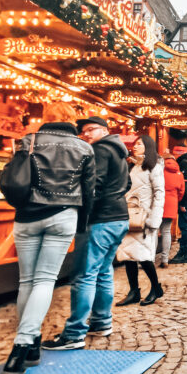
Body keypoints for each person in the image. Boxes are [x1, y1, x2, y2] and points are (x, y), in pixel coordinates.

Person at [0, 110, 96, 374]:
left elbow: (15, 177)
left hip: (27, 215)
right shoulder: (84, 147)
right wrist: (81, 224)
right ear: (72, 122)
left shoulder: (28, 140)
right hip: (64, 214)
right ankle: (22, 346)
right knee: (44, 281)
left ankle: (30, 345)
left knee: (27, 282)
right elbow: (89, 191)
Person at [43, 115, 130, 352]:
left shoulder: (100, 150)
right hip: (118, 218)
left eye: (91, 129)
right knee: (102, 272)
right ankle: (101, 322)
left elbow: (93, 185)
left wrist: (81, 213)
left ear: (104, 130)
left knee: (84, 275)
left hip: (99, 220)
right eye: (84, 131)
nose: (86, 134)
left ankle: (74, 334)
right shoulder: (119, 150)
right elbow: (127, 184)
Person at [112, 136, 166, 305]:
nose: (135, 146)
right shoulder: (131, 166)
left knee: (144, 256)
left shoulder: (154, 167)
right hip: (129, 216)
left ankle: (156, 288)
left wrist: (154, 219)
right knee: (128, 255)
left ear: (147, 147)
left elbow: (159, 193)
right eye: (134, 144)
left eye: (139, 144)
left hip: (144, 218)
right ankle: (133, 290)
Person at [158, 152, 185, 268]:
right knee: (166, 231)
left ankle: (148, 259)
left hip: (158, 202)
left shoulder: (159, 170)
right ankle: (165, 259)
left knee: (153, 231)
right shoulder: (178, 173)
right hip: (171, 203)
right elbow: (181, 191)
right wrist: (176, 200)